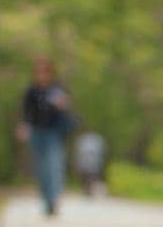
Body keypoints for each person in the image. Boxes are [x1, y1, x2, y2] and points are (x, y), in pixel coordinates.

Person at [17, 57, 74, 216]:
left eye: (45, 71)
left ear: (51, 72)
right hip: (36, 133)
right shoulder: (32, 91)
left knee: (54, 166)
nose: (42, 75)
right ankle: (46, 199)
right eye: (39, 72)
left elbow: (66, 109)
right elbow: (25, 112)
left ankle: (54, 199)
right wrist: (24, 127)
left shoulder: (57, 89)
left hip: (54, 133)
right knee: (41, 168)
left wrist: (62, 104)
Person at [74, 127, 107, 198]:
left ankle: (89, 190)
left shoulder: (84, 139)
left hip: (91, 163)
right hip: (90, 163)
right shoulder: (96, 139)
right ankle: (87, 190)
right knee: (87, 177)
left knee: (91, 177)